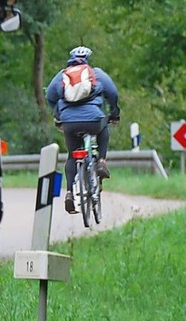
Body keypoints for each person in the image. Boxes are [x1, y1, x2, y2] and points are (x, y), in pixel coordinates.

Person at [46, 46, 120, 214]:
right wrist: (114, 113)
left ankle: (70, 193)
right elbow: (113, 93)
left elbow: (50, 95)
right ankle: (101, 161)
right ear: (87, 60)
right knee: (103, 128)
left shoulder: (61, 75)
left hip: (69, 123)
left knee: (72, 156)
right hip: (93, 120)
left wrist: (58, 115)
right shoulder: (97, 73)